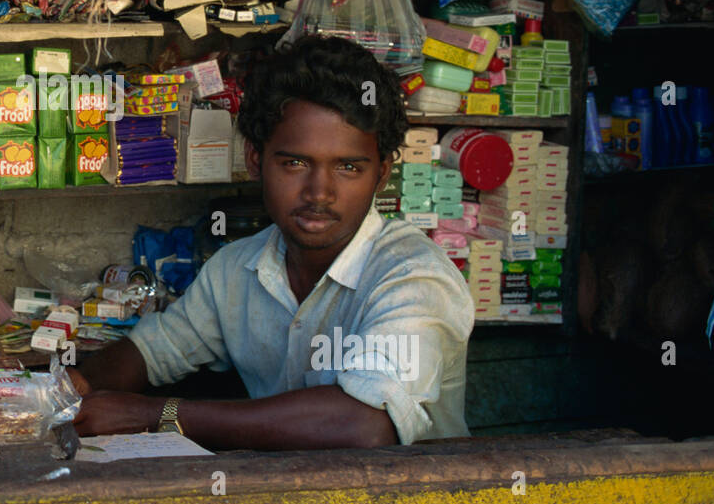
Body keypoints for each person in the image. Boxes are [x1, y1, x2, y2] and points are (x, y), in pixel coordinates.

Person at [70, 35, 474, 450]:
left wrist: (157, 415)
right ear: (255, 161)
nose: (320, 192)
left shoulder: (415, 278)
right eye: (295, 163)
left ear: (382, 174)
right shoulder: (237, 268)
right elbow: (154, 351)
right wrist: (72, 386)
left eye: (348, 167)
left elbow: (363, 426)